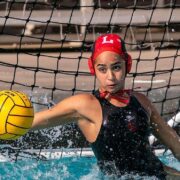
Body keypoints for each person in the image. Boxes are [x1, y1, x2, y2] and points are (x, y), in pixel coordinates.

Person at [32, 34, 180, 179]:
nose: (110, 76)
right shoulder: (85, 105)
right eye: (102, 69)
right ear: (93, 68)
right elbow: (33, 121)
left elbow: (176, 146)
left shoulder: (142, 102)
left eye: (116, 67)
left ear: (127, 64)